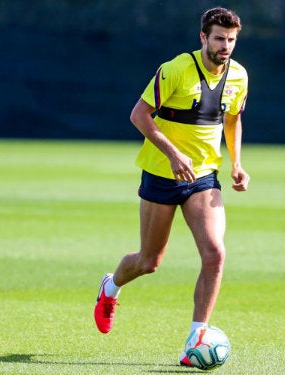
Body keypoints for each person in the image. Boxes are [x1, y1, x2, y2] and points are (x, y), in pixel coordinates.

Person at [94, 7, 249, 367]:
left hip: (204, 177)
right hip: (162, 174)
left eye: (231, 40)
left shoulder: (239, 76)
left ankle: (197, 336)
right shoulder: (176, 69)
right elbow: (139, 115)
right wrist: (173, 153)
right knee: (149, 262)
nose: (225, 46)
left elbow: (233, 118)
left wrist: (238, 163)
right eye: (219, 38)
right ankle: (110, 287)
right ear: (203, 38)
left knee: (215, 253)